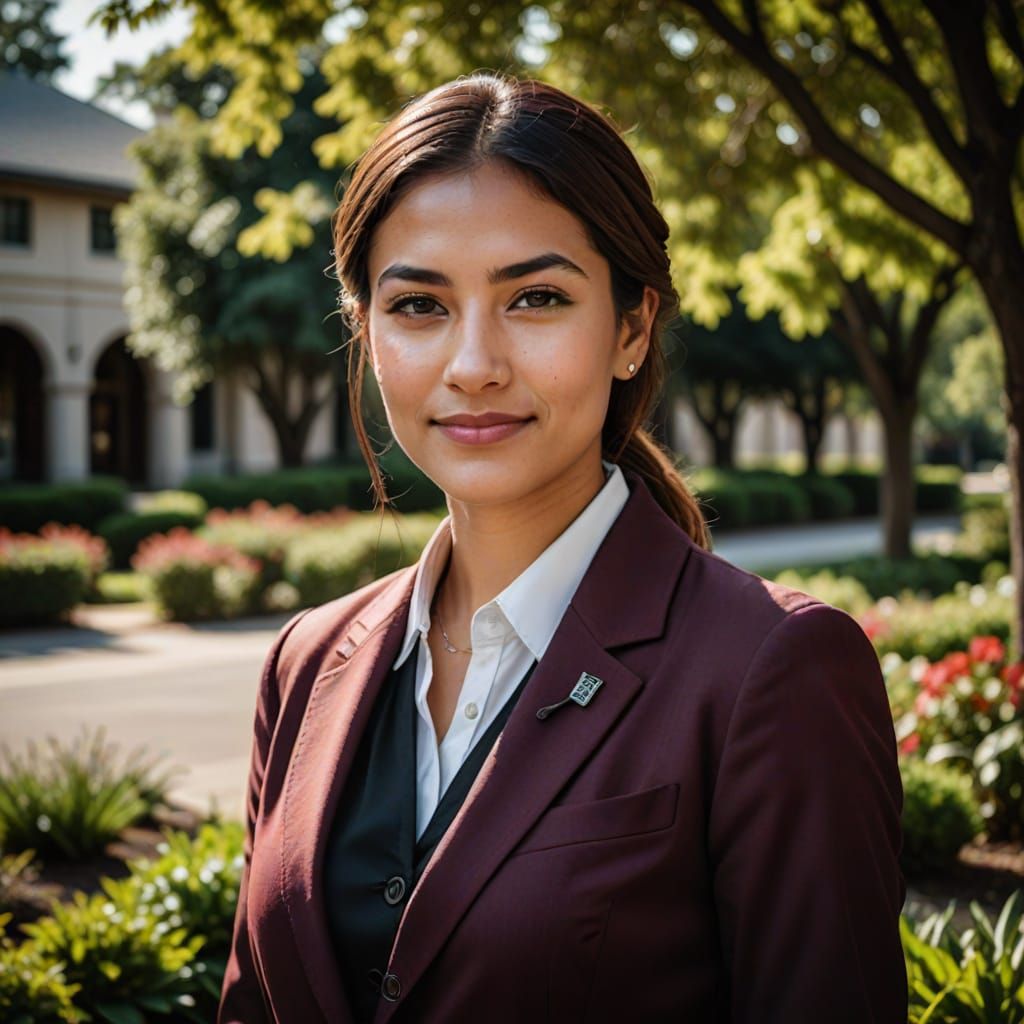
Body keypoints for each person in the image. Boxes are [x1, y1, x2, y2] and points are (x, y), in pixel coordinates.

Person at [218, 72, 907, 1024]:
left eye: (535, 298)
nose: (472, 365)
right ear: (366, 333)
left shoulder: (772, 672)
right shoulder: (304, 665)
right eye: (419, 306)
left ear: (632, 326)